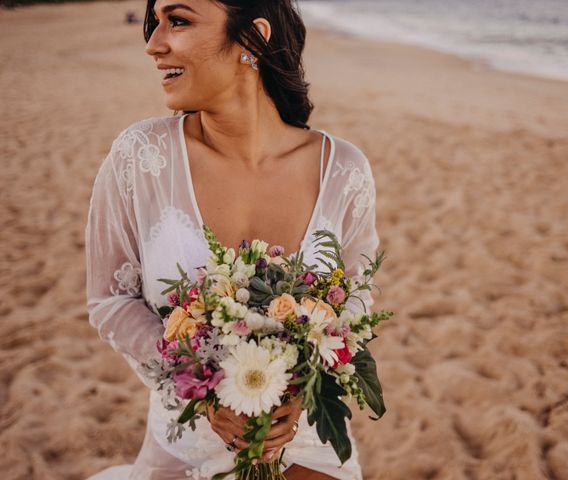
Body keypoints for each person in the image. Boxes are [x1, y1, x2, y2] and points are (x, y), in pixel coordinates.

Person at [85, 0, 379, 478]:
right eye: (155, 23)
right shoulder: (139, 157)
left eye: (177, 21)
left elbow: (357, 301)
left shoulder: (343, 170)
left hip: (301, 440)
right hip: (184, 445)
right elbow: (110, 299)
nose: (153, 45)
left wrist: (298, 390)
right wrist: (201, 388)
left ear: (252, 38)